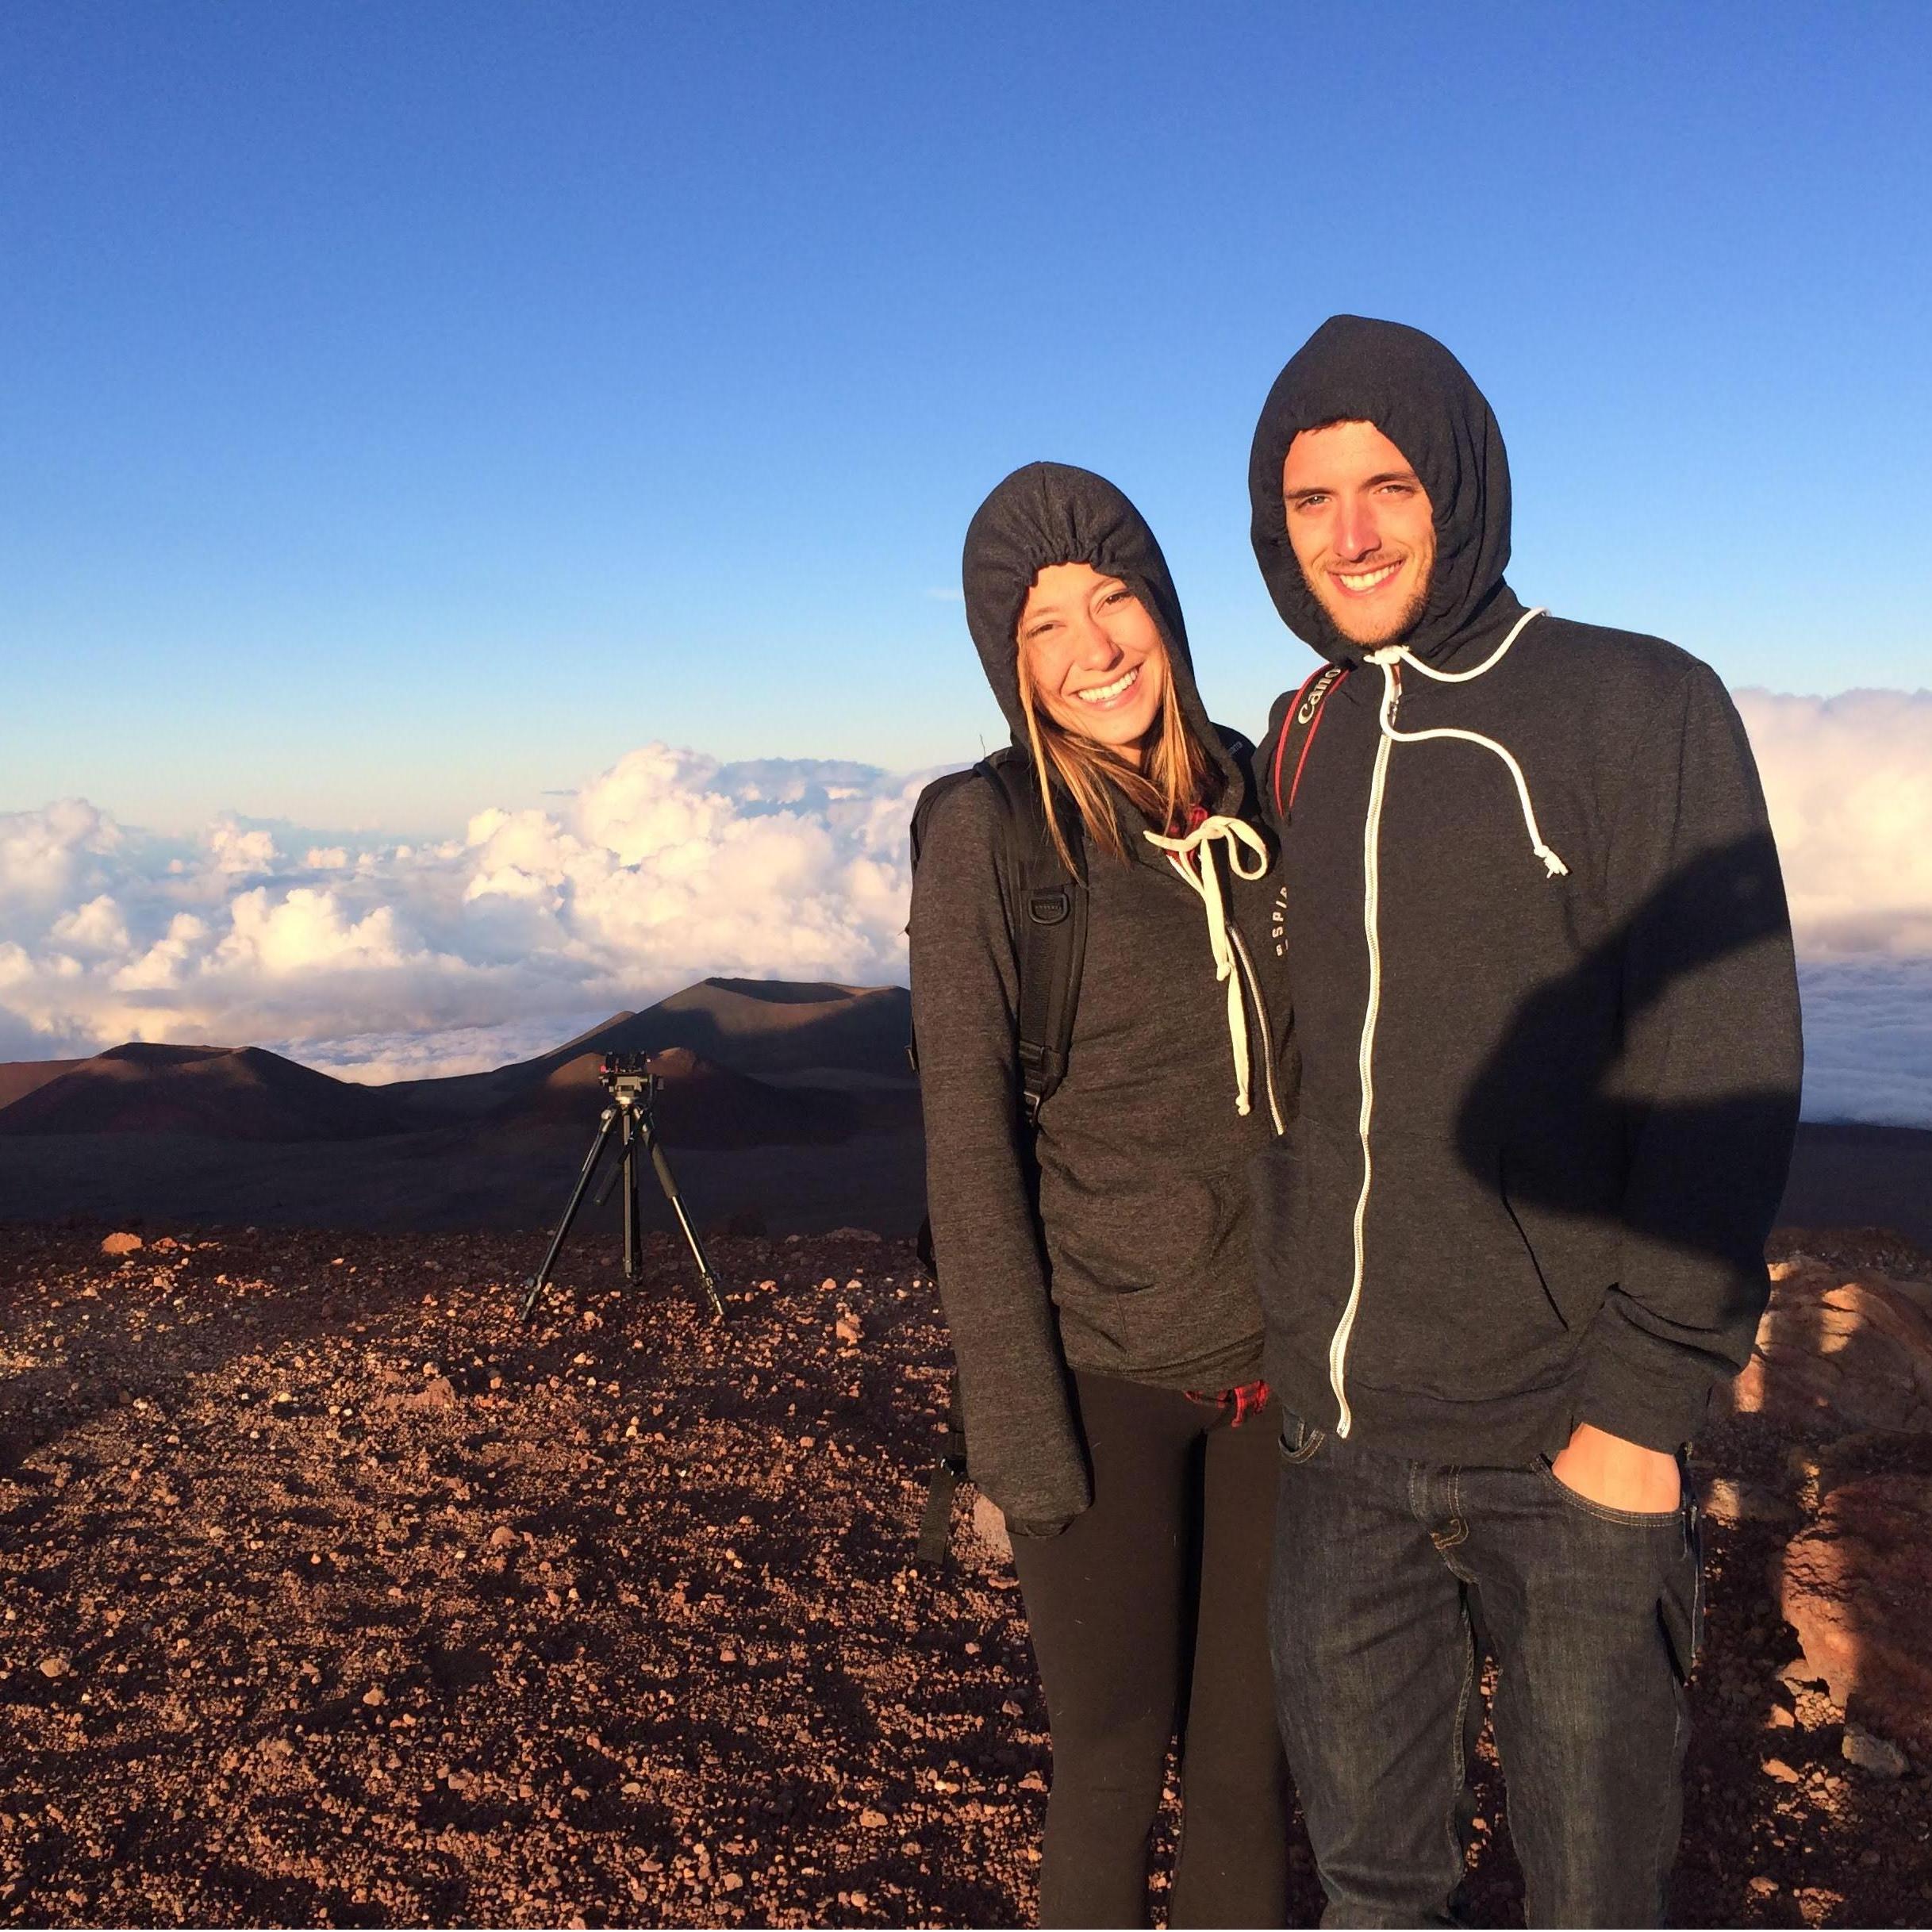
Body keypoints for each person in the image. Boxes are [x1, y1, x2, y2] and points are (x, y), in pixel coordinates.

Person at [1243, 316, 1802, 1928]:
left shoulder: (1635, 705)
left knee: (1594, 1901)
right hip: (1348, 1453)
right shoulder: (1312, 733)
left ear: (1462, 488)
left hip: (1567, 1453)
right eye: (1308, 497)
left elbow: (1727, 1051)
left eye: (1389, 483)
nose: (1350, 532)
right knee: (1370, 1889)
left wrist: (1635, 1413)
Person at [909, 462, 1294, 1928]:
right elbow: (968, 1152)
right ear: (1009, 668)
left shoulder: (1258, 791)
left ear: (1166, 608)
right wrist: (1019, 1446)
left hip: (1279, 1378)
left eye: (1114, 598)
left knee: (1257, 1767)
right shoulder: (992, 837)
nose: (1093, 648)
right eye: (1041, 628)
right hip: (1102, 1382)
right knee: (1115, 1764)